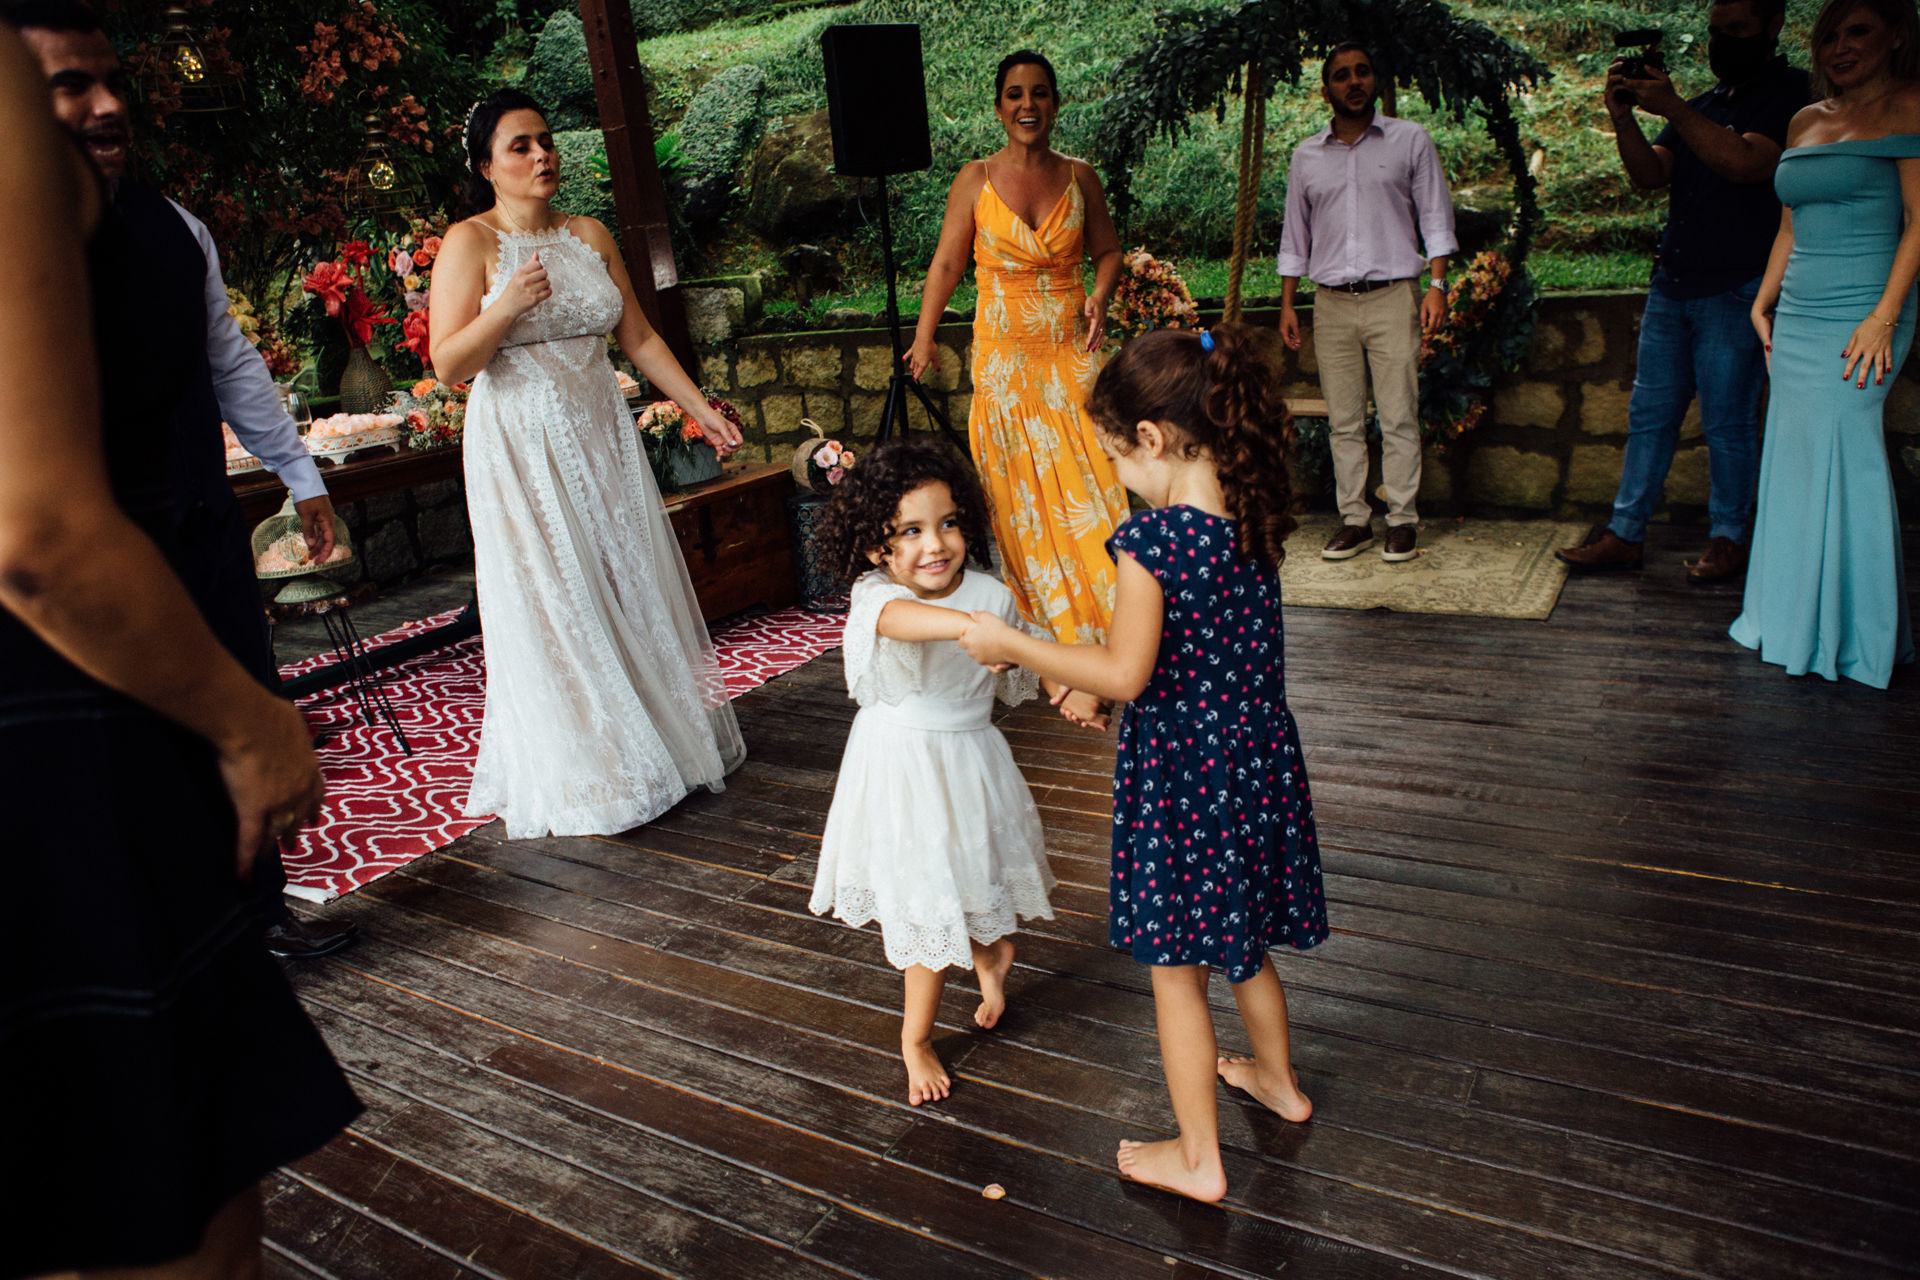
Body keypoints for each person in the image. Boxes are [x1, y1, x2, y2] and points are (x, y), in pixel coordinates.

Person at [0, 23, 358, 1276]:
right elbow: (36, 536)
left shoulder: (169, 231)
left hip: (167, 597)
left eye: (113, 81)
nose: (102, 108)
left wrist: (299, 472)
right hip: (66, 714)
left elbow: (229, 365)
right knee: (165, 1144)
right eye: (64, 85)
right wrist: (252, 720)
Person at [958, 325, 1329, 1203]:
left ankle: (1199, 1160)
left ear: (1154, 441)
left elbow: (1127, 666)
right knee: (1244, 943)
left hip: (1185, 782)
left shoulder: (1153, 544)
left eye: (1116, 455)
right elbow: (1182, 655)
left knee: (1177, 974)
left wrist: (1021, 643)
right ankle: (1279, 1083)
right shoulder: (1248, 514)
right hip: (1252, 763)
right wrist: (1103, 686)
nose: (1116, 473)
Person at [430, 90, 747, 838]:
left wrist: (700, 409)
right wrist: (505, 305)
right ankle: (593, 764)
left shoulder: (590, 234)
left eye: (546, 141)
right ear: (486, 166)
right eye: (520, 146)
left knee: (622, 573)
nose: (542, 156)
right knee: (556, 590)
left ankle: (658, 736)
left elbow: (637, 338)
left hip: (601, 430)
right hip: (521, 441)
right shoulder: (469, 243)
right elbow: (448, 363)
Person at [807, 441, 1071, 1106]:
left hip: (970, 760)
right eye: (911, 531)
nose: (936, 544)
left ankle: (988, 955)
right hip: (898, 771)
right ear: (876, 548)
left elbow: (1025, 668)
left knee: (970, 869)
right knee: (925, 898)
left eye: (949, 523)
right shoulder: (878, 596)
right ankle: (916, 1038)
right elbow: (901, 623)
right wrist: (978, 630)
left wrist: (1059, 676)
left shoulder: (992, 595)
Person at [1558, 0, 1811, 583]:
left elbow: (1748, 162)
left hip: (1736, 286)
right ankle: (1625, 533)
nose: (1723, 42)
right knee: (1649, 415)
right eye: (1716, 32)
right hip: (1673, 285)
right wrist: (1625, 119)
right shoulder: (1704, 105)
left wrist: (1670, 103)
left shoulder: (1793, 96)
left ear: (1773, 27)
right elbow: (1651, 174)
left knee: (1728, 420)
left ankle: (1729, 539)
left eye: (1738, 31)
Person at [907, 49, 1131, 655]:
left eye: (1039, 93)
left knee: (1096, 487)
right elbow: (949, 262)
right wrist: (925, 334)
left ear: (1056, 103)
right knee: (1020, 504)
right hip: (1005, 367)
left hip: (1071, 355)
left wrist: (1102, 295)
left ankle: (1117, 628)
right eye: (1014, 94)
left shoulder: (1080, 176)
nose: (1027, 105)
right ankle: (1046, 640)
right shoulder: (974, 180)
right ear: (999, 106)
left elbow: (1108, 252)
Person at [1733, 0, 1920, 686]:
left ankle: (1855, 636)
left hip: (1864, 313)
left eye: (1860, 31)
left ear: (1897, 35)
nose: (1841, 47)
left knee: (1849, 453)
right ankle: (1787, 620)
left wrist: (1884, 318)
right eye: (1831, 35)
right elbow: (1790, 223)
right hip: (1801, 314)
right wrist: (1763, 298)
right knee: (1796, 456)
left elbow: (1919, 223)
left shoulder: (1912, 106)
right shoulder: (1804, 121)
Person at [1278, 42, 1457, 564]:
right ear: (1326, 88)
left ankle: (1402, 520)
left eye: (1361, 72)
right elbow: (1295, 236)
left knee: (1399, 414)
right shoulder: (1307, 156)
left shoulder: (1409, 141)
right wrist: (1290, 305)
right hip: (1330, 304)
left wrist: (1437, 287)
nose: (1352, 82)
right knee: (1344, 420)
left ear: (1374, 80)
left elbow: (1436, 219)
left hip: (1393, 297)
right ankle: (1354, 519)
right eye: (1340, 75)